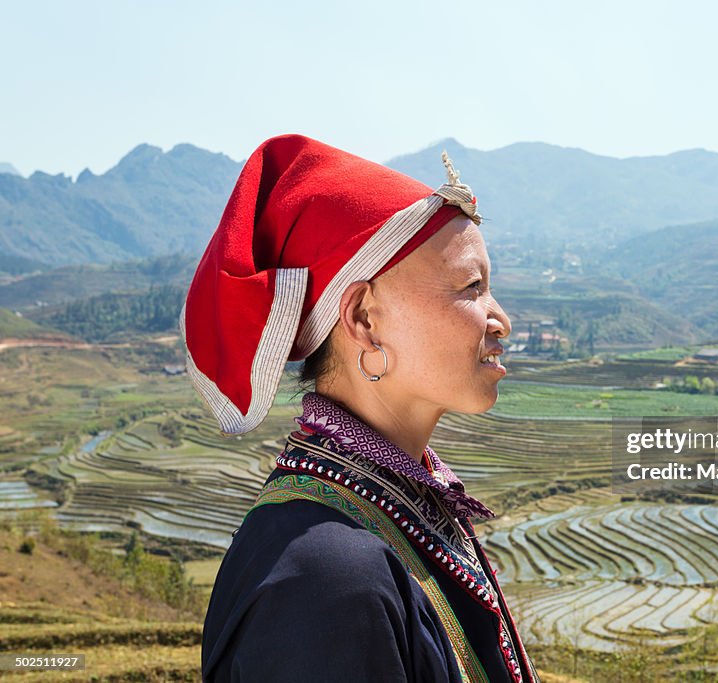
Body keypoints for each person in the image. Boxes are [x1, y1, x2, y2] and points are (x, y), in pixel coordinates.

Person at [181, 134, 538, 682]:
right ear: (365, 320)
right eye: (472, 287)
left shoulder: (401, 516)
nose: (500, 319)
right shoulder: (327, 579)